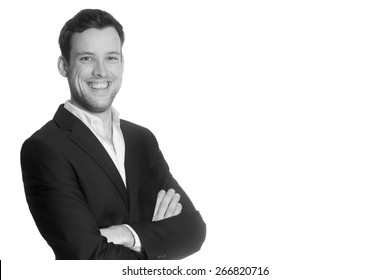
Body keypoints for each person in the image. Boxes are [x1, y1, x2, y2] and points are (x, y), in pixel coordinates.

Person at [20, 9, 206, 260]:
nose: (101, 71)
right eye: (86, 58)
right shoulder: (44, 148)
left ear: (122, 63)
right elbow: (86, 256)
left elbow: (193, 231)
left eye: (111, 58)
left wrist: (126, 234)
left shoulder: (142, 140)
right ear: (64, 66)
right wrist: (157, 241)